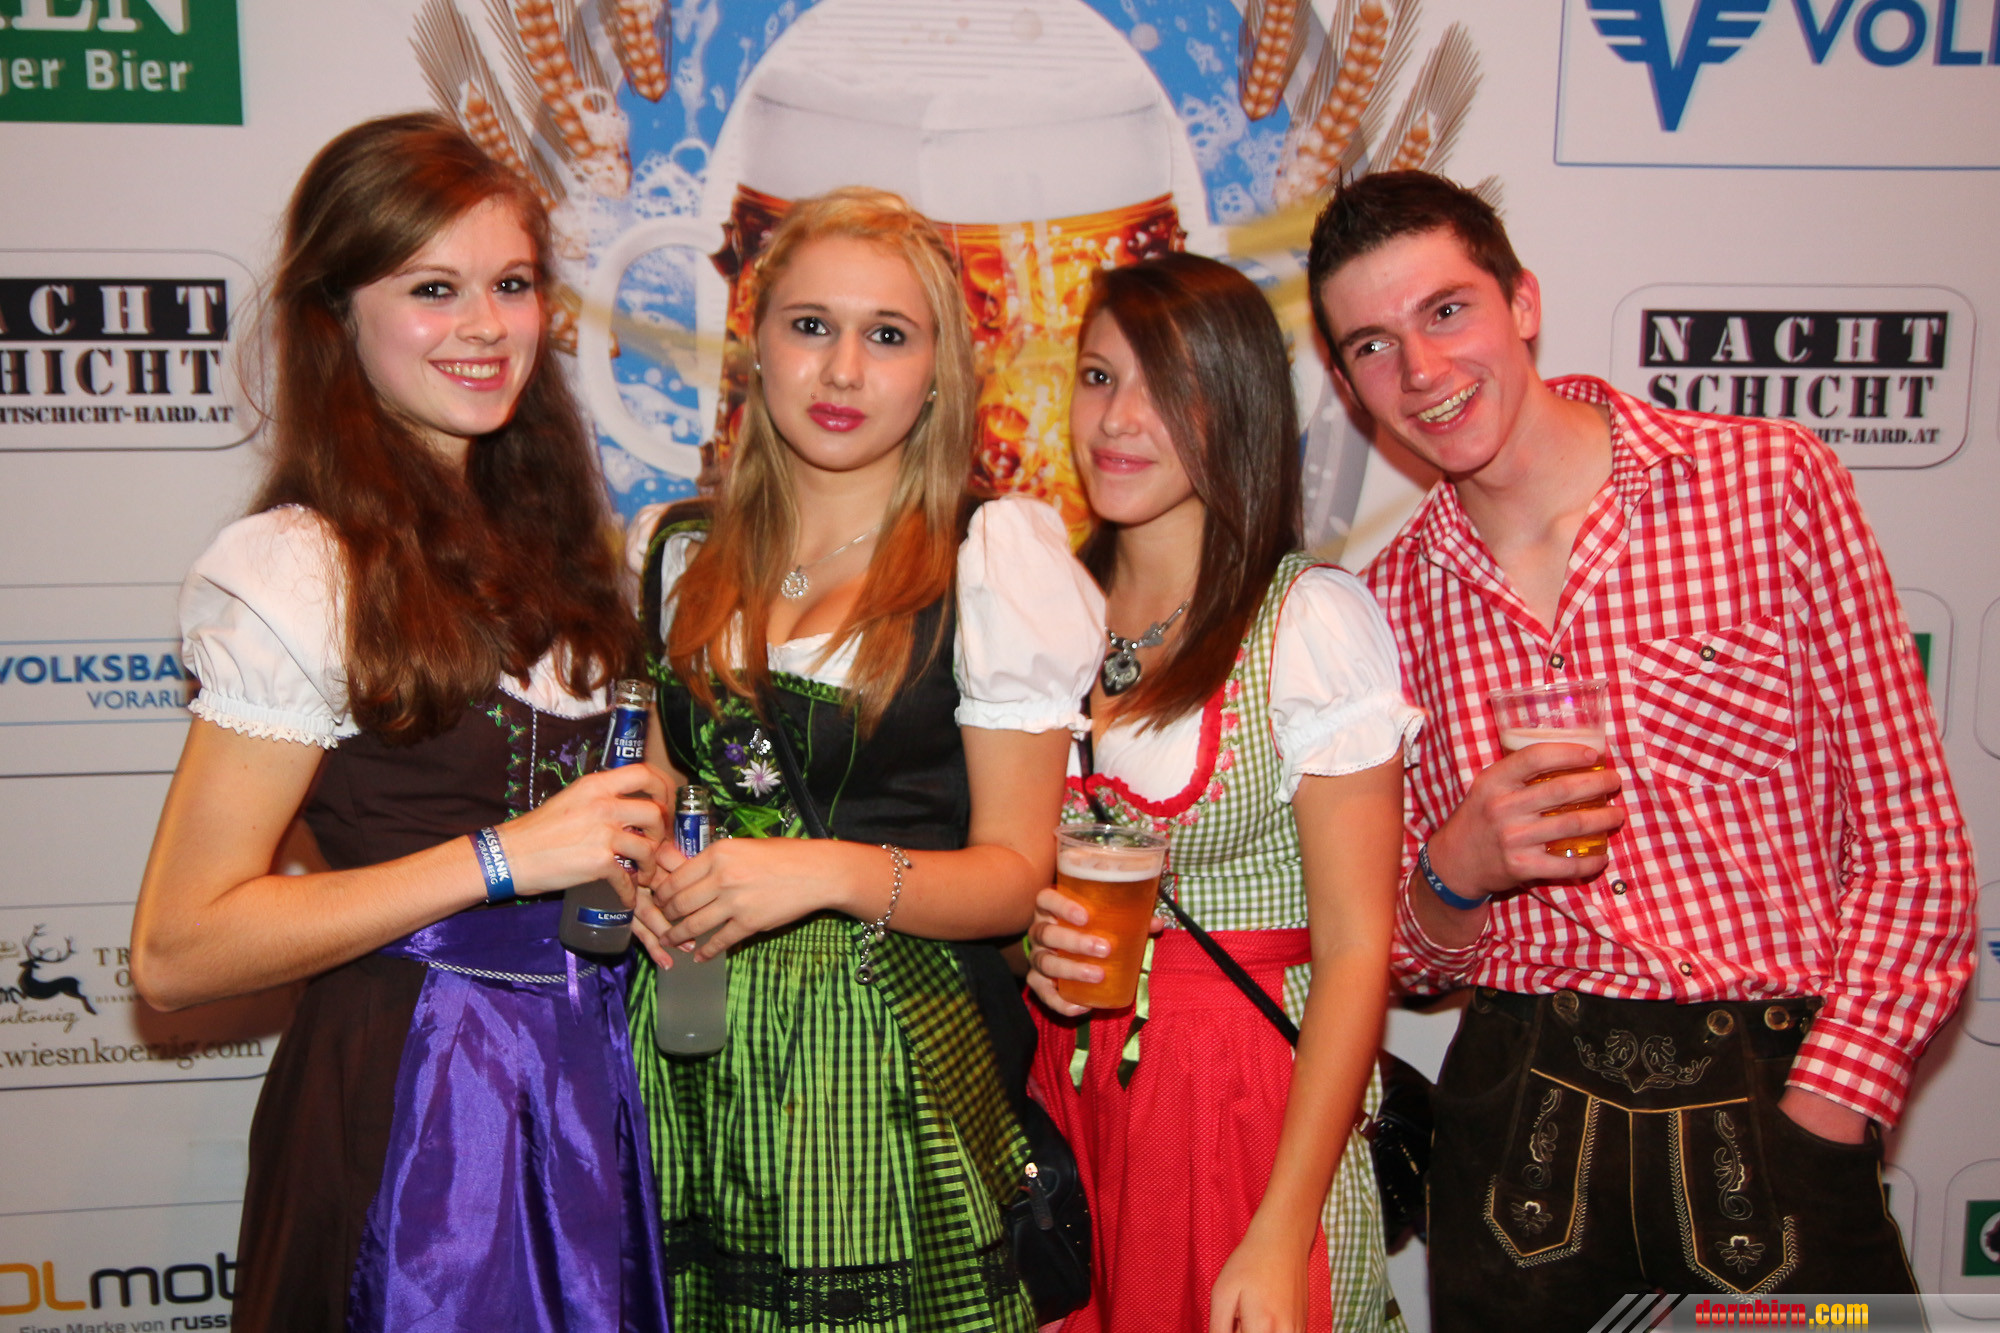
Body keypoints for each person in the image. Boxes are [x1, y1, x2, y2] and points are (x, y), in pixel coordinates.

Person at [1306, 171, 1975, 1330]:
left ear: (1521, 301)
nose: (1418, 369)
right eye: (1372, 345)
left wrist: (1826, 1107)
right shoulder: (1390, 600)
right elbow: (1403, 962)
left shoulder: (1765, 486)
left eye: (1445, 311)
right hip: (1519, 1128)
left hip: (1769, 1097)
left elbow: (1913, 849)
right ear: (1344, 380)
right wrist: (1455, 867)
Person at [129, 114, 672, 1332]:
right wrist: (502, 857)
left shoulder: (556, 549)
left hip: (582, 1086)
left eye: (511, 285)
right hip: (414, 1106)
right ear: (338, 316)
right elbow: (177, 948)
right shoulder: (298, 567)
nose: (485, 326)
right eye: (433, 289)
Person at [623, 185, 1105, 1332]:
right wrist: (635, 872)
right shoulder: (681, 549)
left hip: (884, 1080)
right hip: (689, 1051)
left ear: (937, 372)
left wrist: (825, 870)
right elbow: (660, 793)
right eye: (810, 326)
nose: (841, 370)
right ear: (755, 345)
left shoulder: (989, 557)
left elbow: (1014, 877)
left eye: (886, 335)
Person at [1023, 252, 1421, 1333]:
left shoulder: (1306, 619)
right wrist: (1033, 950)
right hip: (1071, 1095)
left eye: (1170, 388)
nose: (1119, 419)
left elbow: (1355, 952)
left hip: (1243, 1099)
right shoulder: (1042, 610)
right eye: (1099, 377)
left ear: (1239, 407)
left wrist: (1281, 1225)